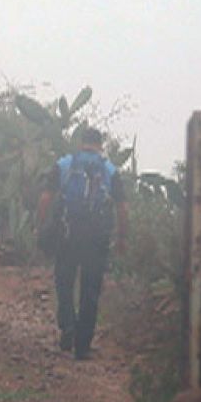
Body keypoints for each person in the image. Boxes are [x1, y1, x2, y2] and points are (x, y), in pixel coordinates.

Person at [37, 126, 127, 360]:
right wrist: (121, 238)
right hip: (97, 237)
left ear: (81, 143)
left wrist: (41, 225)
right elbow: (122, 207)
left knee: (64, 281)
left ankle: (67, 325)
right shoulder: (109, 170)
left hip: (69, 233)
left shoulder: (65, 164)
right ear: (100, 145)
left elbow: (46, 197)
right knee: (90, 290)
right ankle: (83, 346)